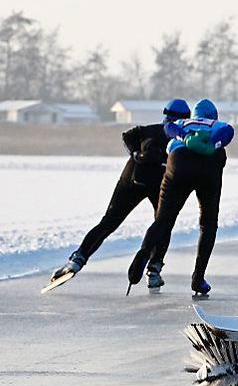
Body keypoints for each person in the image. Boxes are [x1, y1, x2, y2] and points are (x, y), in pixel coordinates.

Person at [48, 99, 191, 289]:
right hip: (159, 183)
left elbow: (127, 136)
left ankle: (77, 259)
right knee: (163, 224)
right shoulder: (185, 138)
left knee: (109, 222)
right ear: (186, 118)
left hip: (131, 179)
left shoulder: (148, 130)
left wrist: (134, 154)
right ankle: (154, 268)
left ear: (165, 115)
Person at [127, 99, 234, 296]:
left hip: (179, 163)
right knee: (208, 224)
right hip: (209, 168)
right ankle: (198, 278)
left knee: (163, 220)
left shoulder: (182, 123)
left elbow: (168, 128)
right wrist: (212, 144)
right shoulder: (215, 124)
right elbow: (228, 131)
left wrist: (184, 137)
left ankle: (143, 253)